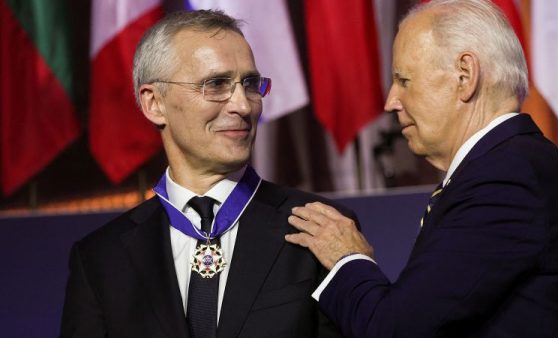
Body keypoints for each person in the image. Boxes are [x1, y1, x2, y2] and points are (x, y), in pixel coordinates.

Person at [285, 0, 558, 337]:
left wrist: (347, 257)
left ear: (465, 75)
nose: (391, 101)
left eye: (404, 80)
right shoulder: (509, 167)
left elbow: (393, 330)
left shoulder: (505, 179)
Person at [60, 10, 348, 338]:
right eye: (216, 84)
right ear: (154, 103)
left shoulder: (320, 229)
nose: (243, 105)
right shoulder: (100, 259)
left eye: (250, 84)